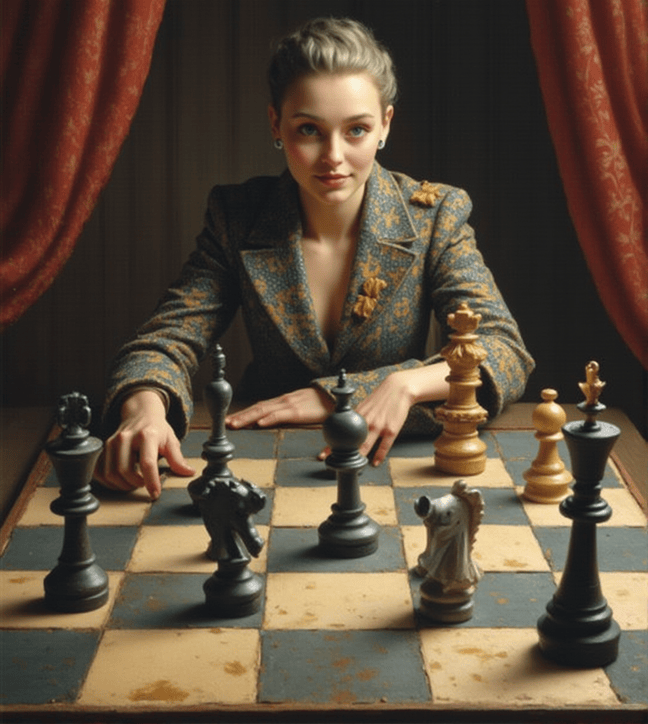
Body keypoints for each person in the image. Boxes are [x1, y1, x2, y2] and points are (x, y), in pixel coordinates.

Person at [95, 17, 534, 500]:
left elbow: (504, 350)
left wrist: (399, 384)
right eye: (309, 130)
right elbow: (163, 341)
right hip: (257, 464)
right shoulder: (237, 218)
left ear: (384, 125)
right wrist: (144, 408)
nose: (333, 156)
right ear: (275, 124)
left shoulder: (435, 216)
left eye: (357, 130)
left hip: (396, 466)